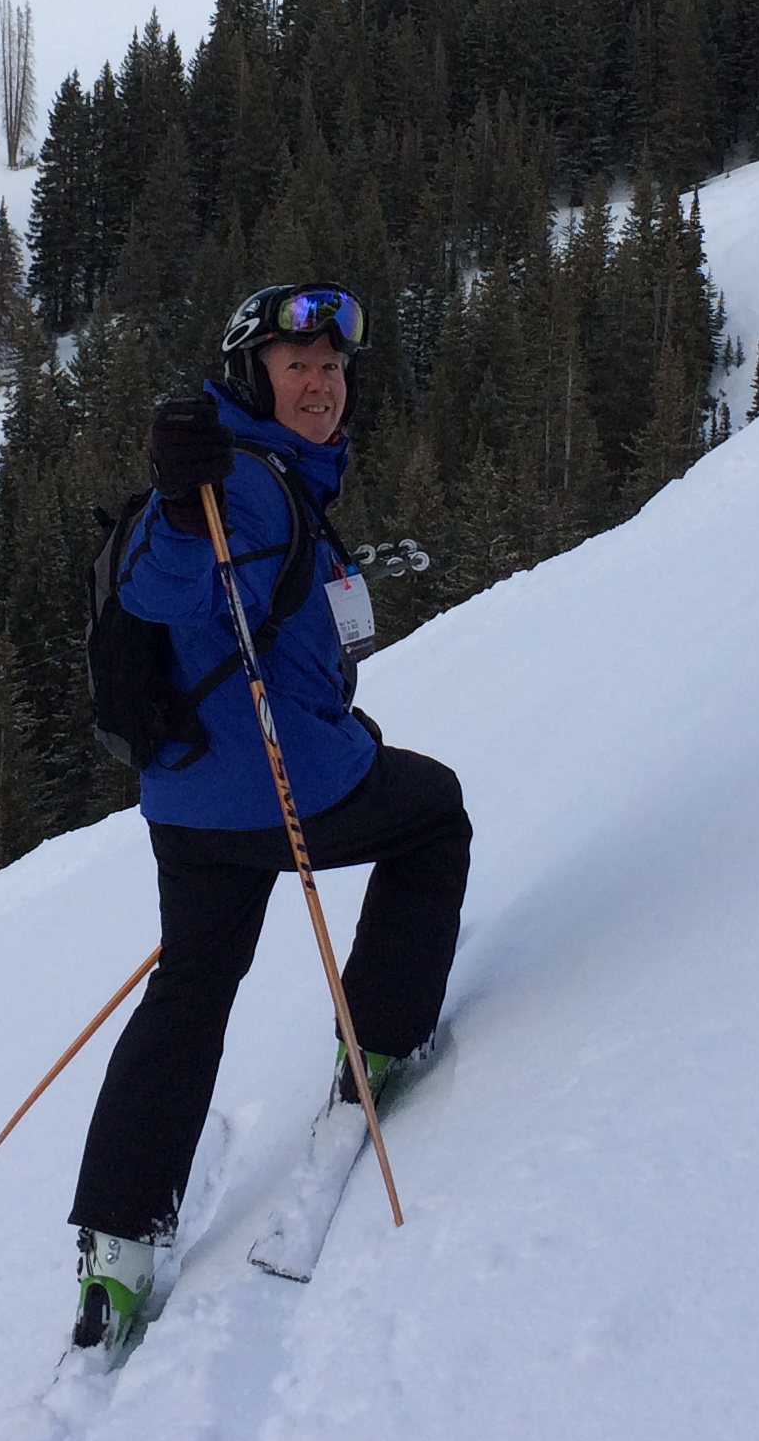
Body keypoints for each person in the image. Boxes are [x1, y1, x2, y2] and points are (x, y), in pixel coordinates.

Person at [68, 282, 471, 1351]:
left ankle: (117, 1241)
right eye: (298, 367)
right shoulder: (237, 480)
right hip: (286, 792)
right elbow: (166, 590)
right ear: (255, 378)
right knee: (433, 815)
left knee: (192, 986)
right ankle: (379, 1042)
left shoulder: (269, 471)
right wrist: (177, 496)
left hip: (188, 803)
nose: (321, 385)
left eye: (333, 368)